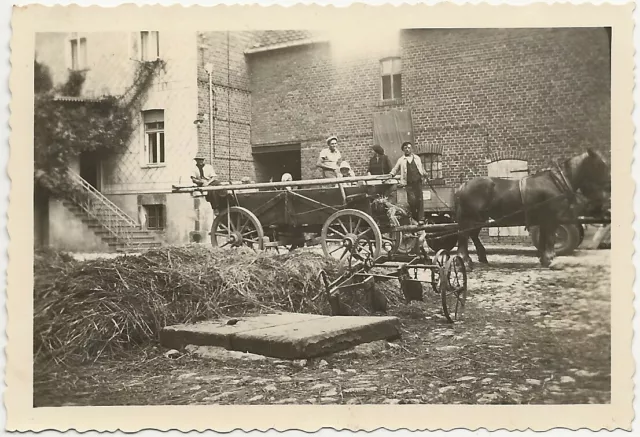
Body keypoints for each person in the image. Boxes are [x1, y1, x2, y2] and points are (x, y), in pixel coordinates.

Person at [390, 141, 427, 224]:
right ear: (403, 150)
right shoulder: (401, 160)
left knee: (420, 200)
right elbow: (395, 169)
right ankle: (414, 218)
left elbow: (421, 168)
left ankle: (421, 219)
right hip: (409, 183)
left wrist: (424, 174)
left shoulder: (417, 158)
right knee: (412, 201)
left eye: (409, 148)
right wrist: (390, 175)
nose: (407, 149)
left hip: (418, 182)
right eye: (405, 148)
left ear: (411, 149)